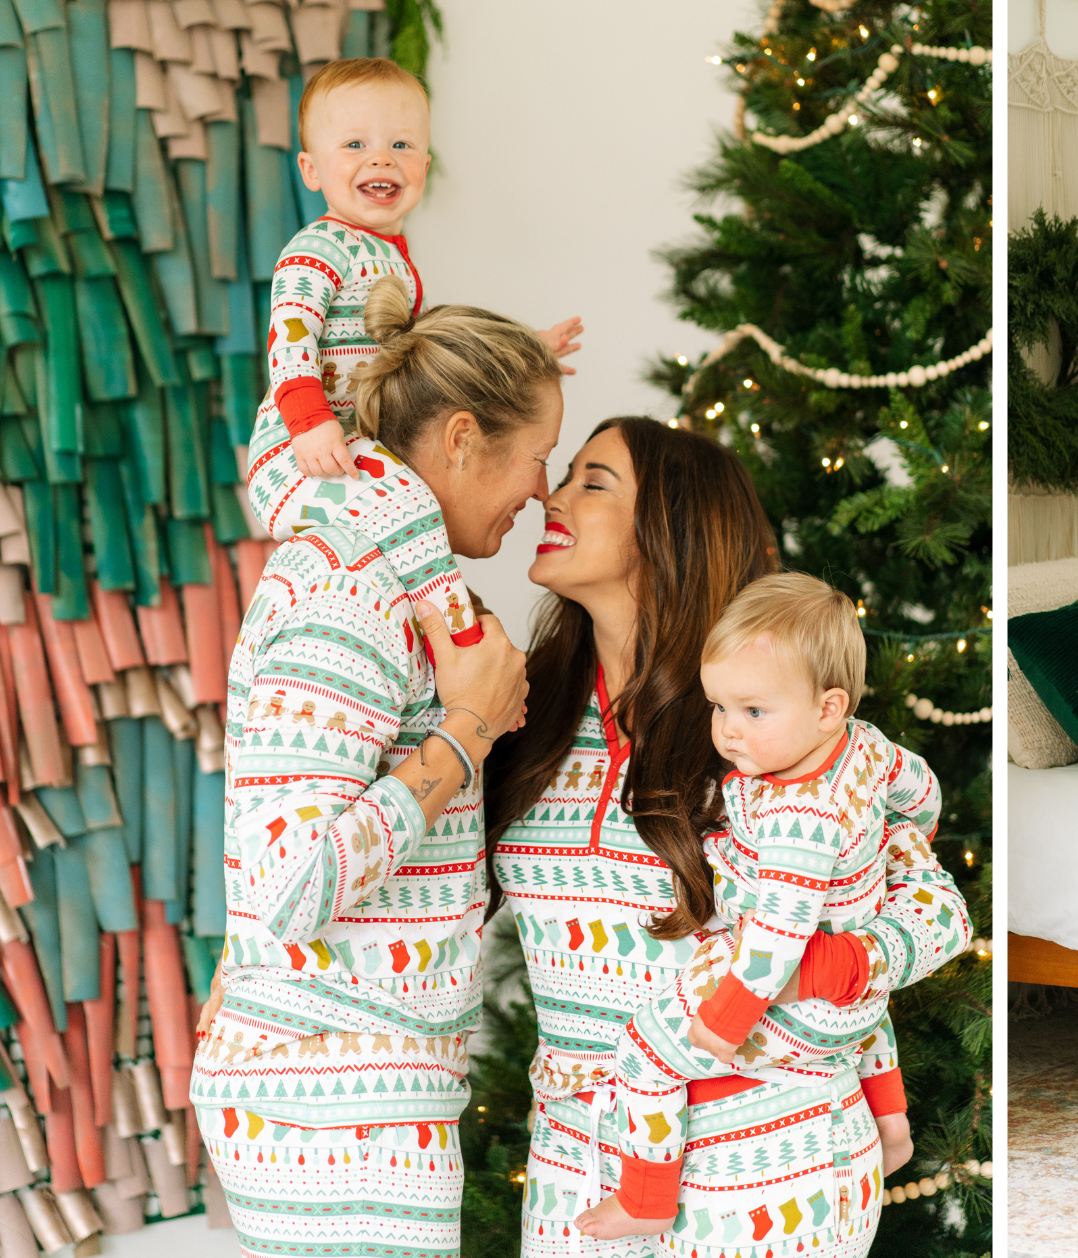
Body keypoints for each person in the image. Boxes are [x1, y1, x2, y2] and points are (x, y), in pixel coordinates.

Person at [486, 420, 972, 1256]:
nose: (551, 498)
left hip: (765, 1159)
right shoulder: (529, 709)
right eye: (563, 475)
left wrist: (839, 964)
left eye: (592, 482)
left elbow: (935, 907)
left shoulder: (766, 727)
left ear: (673, 529)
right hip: (579, 1162)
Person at [191, 278, 561, 1257]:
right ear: (463, 438)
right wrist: (466, 731)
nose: (542, 491)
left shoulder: (390, 581)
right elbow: (290, 884)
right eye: (538, 458)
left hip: (357, 1093)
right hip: (326, 1109)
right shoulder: (349, 591)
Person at [569, 572, 942, 1237]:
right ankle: (893, 1128)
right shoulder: (865, 746)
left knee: (644, 1050)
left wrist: (729, 1015)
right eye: (719, 707)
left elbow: (779, 928)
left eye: (753, 712)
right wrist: (913, 832)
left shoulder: (799, 815)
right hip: (852, 1002)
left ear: (827, 708)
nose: (728, 732)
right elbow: (921, 787)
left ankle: (645, 1198)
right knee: (868, 1021)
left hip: (786, 994)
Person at [252, 56, 582, 642]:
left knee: (409, 522)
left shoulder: (397, 262)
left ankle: (436, 638)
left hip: (351, 447)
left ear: (424, 166)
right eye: (355, 144)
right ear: (311, 169)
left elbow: (427, 346)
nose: (381, 159)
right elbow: (290, 334)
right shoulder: (317, 248)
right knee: (410, 505)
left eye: (401, 145)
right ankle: (463, 642)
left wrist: (521, 349)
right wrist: (308, 421)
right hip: (295, 456)